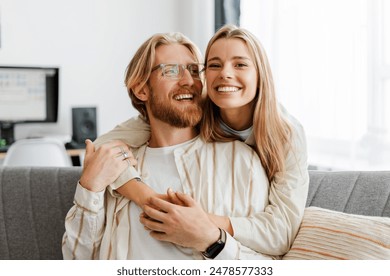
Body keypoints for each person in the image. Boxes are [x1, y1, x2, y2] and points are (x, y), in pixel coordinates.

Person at [91, 24, 310, 257]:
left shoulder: (286, 134)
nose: (225, 73)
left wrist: (199, 225)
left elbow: (281, 231)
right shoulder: (194, 111)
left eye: (240, 64)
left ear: (260, 75)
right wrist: (147, 197)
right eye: (214, 65)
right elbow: (100, 150)